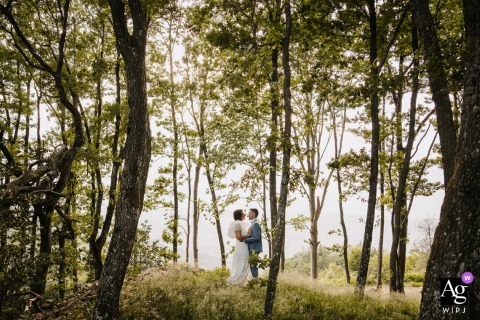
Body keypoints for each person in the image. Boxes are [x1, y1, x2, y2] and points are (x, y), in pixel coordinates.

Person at [226, 209, 251, 285]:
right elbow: (239, 237)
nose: (245, 215)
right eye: (243, 214)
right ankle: (231, 282)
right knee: (240, 265)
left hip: (246, 246)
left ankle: (240, 283)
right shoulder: (238, 224)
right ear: (239, 215)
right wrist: (248, 235)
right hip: (241, 247)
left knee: (246, 265)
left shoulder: (245, 224)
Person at [245, 208, 262, 278]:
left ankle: (256, 280)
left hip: (254, 248)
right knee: (252, 265)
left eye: (249, 213)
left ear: (254, 214)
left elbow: (256, 238)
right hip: (253, 248)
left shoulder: (255, 224)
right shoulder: (253, 223)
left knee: (253, 265)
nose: (247, 215)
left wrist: (246, 240)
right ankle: (256, 280)